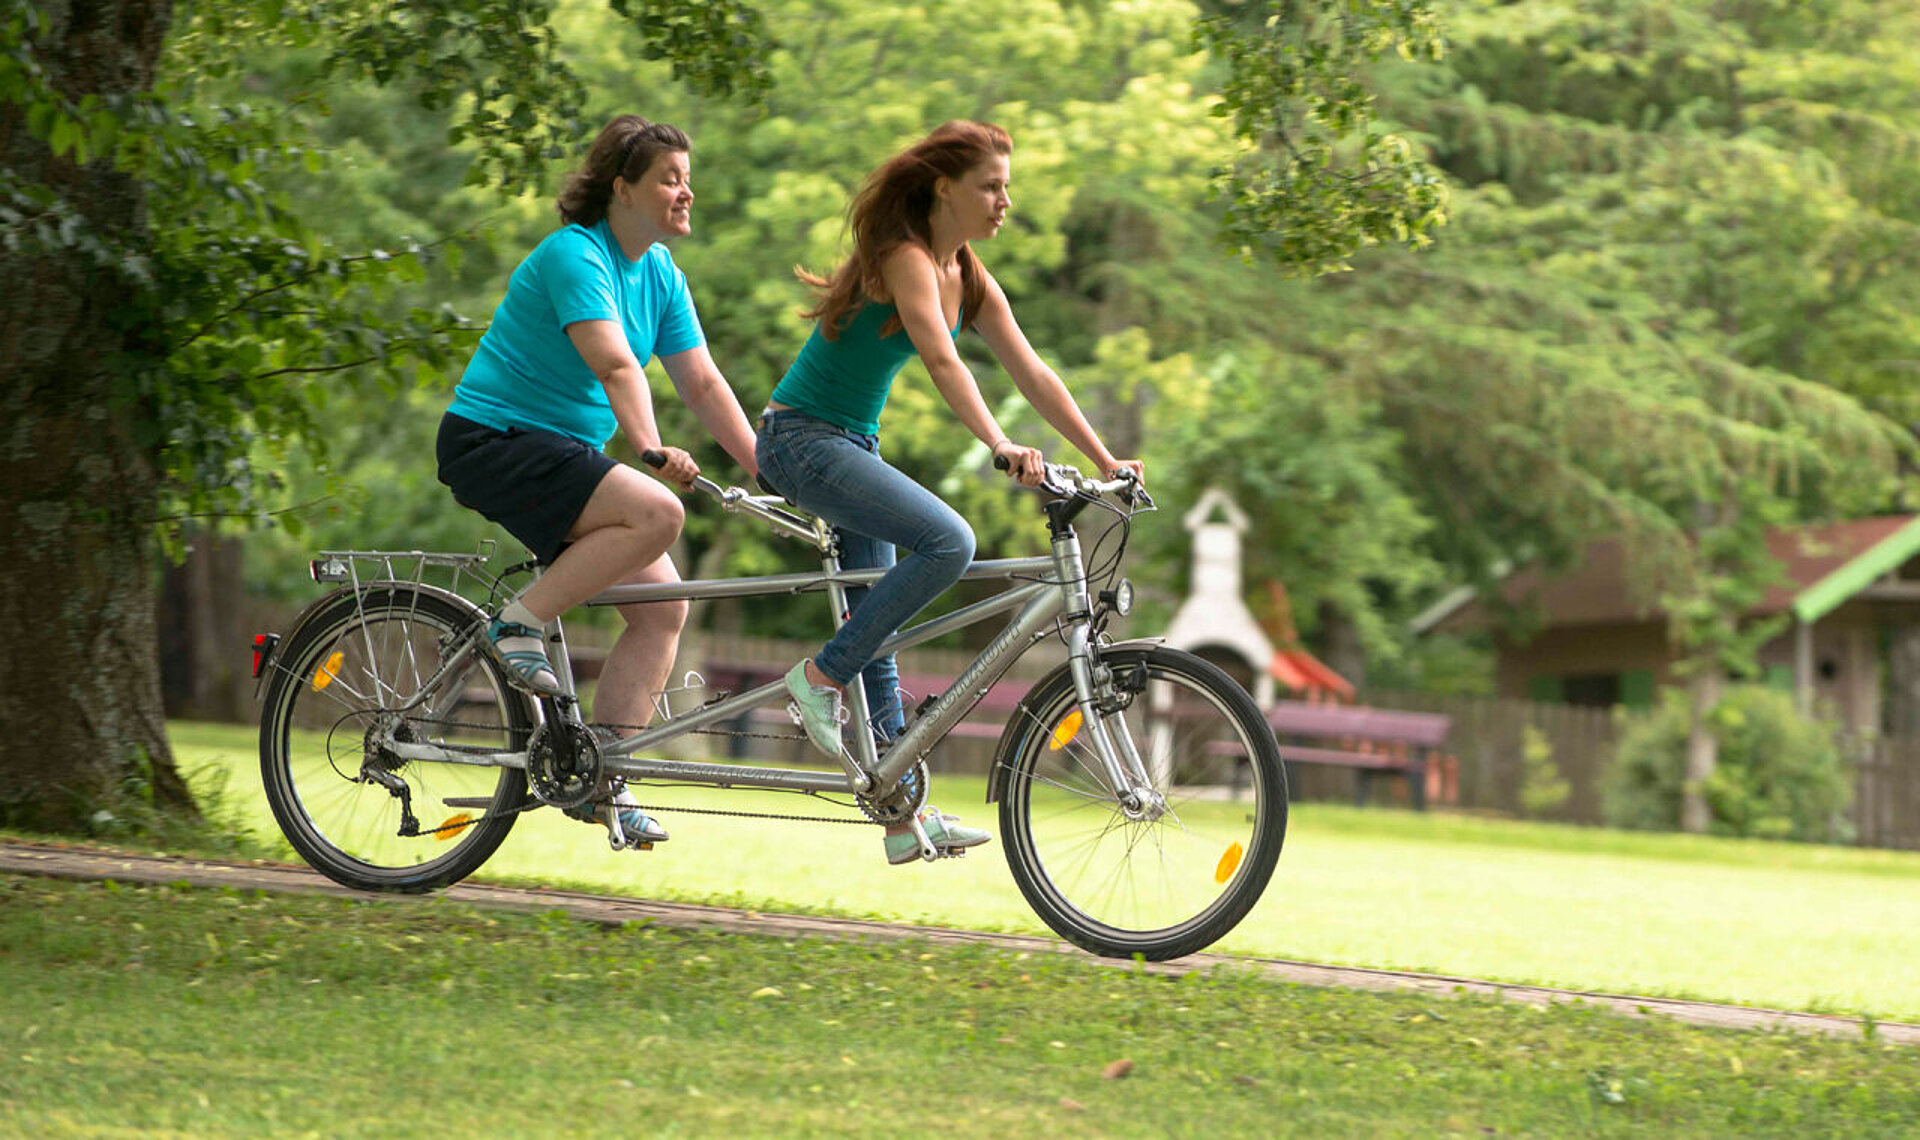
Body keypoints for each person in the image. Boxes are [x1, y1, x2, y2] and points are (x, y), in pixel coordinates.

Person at [754, 120, 1144, 865]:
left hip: (848, 445)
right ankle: (817, 679)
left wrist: (1105, 457)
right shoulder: (904, 258)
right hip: (800, 440)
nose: (1004, 202)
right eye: (990, 187)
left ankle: (903, 813)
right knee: (949, 542)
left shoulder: (967, 271)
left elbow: (1033, 371)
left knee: (882, 611)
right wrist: (999, 444)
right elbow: (940, 358)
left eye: (1007, 187)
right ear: (945, 188)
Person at [437, 114, 760, 849]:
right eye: (668, 180)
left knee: (662, 610)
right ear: (623, 190)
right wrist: (648, 449)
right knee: (656, 513)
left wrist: (765, 468)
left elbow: (704, 383)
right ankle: (518, 624)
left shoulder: (661, 275)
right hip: (495, 439)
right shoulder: (574, 255)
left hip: (558, 450)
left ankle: (600, 778)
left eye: (687, 179)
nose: (685, 193)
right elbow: (616, 365)